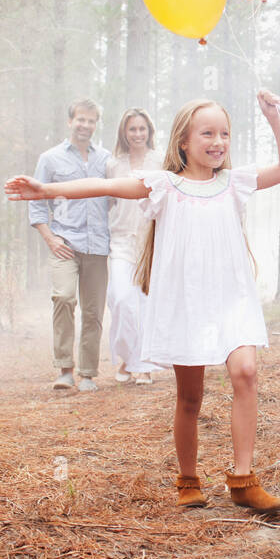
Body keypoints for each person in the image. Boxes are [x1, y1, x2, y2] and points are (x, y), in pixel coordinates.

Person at [5, 89, 280, 514]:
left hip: (232, 298)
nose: (218, 142)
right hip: (186, 303)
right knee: (190, 397)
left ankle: (242, 479)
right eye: (207, 133)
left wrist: (273, 118)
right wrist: (46, 188)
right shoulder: (164, 185)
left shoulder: (234, 182)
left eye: (225, 134)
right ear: (183, 141)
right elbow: (105, 184)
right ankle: (188, 478)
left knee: (246, 372)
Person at [29, 100, 112, 392]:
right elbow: (36, 203)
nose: (85, 125)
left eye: (91, 121)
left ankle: (88, 373)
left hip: (98, 245)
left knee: (93, 311)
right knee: (63, 298)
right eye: (80, 119)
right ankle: (65, 370)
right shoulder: (50, 159)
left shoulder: (106, 160)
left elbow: (115, 199)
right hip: (64, 242)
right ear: (70, 122)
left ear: (96, 124)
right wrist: (50, 238)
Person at [105, 108, 164, 385]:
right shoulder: (113, 165)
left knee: (143, 304)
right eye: (132, 129)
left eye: (142, 129)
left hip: (150, 241)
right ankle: (128, 357)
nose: (138, 134)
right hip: (120, 242)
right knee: (120, 299)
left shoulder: (160, 161)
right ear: (124, 133)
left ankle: (142, 365)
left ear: (149, 132)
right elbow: (107, 202)